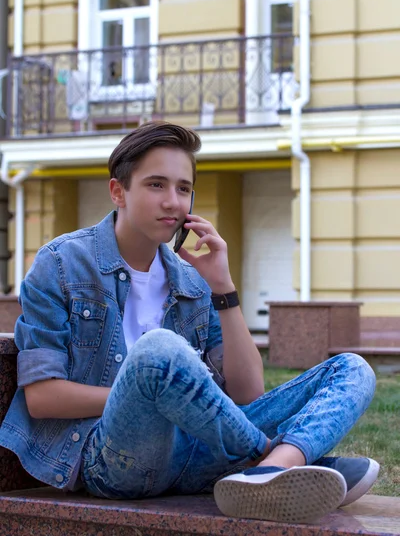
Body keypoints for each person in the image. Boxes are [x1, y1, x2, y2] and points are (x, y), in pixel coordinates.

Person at [0, 121, 379, 524]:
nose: (173, 202)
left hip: (192, 453)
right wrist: (146, 394)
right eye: (156, 185)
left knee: (352, 368)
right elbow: (42, 398)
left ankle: (272, 469)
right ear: (118, 191)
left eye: (183, 189)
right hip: (109, 458)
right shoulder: (60, 264)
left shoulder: (192, 281)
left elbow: (248, 391)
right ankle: (275, 460)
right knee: (158, 352)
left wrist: (223, 287)